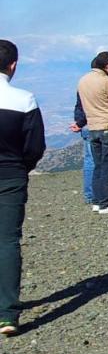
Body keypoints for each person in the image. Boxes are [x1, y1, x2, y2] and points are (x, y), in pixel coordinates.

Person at [0, 40, 46, 336]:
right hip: (10, 175)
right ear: (13, 65)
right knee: (7, 241)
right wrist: (20, 168)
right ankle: (6, 314)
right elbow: (35, 146)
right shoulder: (24, 99)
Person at [77, 52, 108, 214]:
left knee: (98, 165)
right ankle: (106, 201)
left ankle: (97, 199)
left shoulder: (83, 80)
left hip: (92, 127)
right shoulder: (105, 81)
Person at [68, 93, 93, 207]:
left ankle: (90, 195)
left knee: (90, 162)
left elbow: (79, 106)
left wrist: (79, 122)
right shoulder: (105, 82)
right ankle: (101, 196)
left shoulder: (83, 83)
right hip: (99, 124)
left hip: (86, 126)